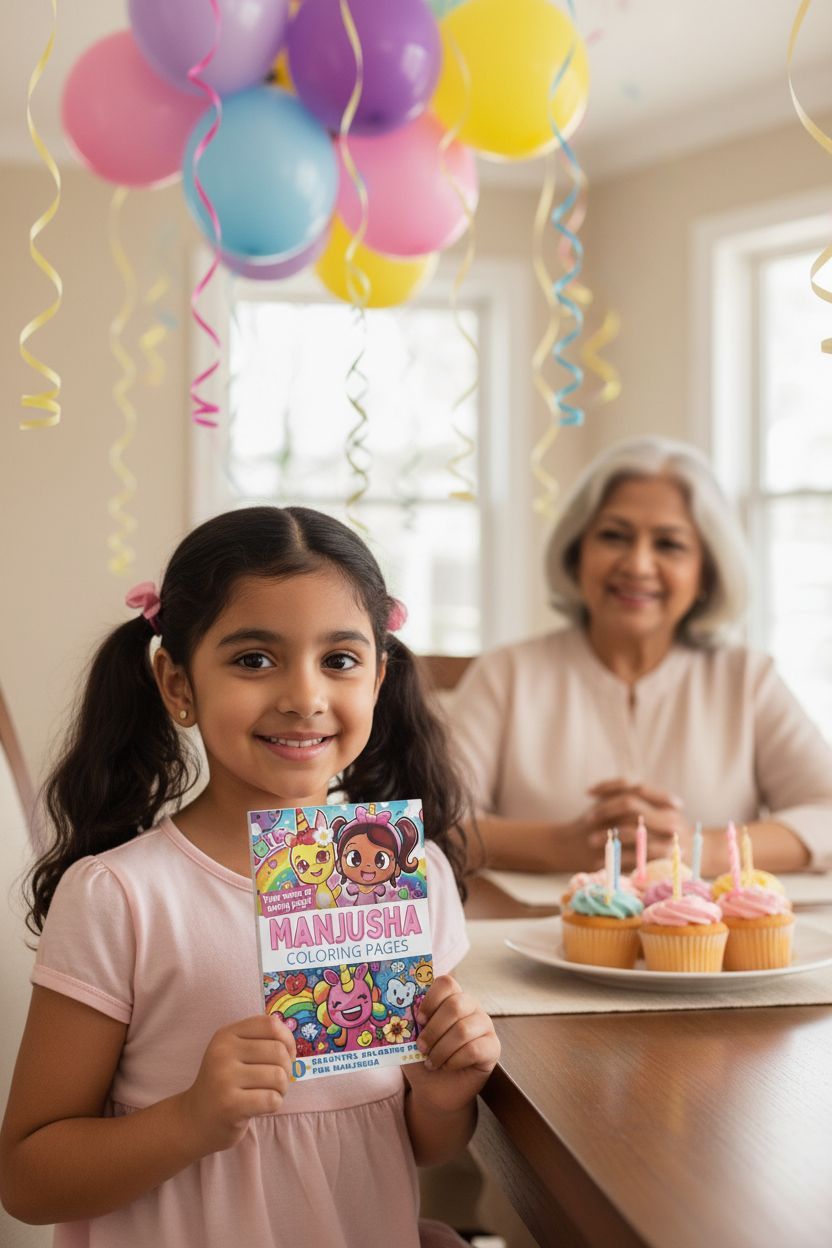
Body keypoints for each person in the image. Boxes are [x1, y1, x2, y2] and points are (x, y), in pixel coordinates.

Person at [0, 506, 500, 1248]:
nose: (304, 696)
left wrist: (444, 1093)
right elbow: (28, 1180)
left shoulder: (411, 876)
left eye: (339, 660)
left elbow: (417, 1144)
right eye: (254, 660)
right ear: (177, 682)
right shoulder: (122, 898)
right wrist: (193, 1117)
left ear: (379, 676)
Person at [448, 435, 832, 878]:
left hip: (705, 942)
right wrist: (561, 847)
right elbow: (432, 826)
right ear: (577, 553)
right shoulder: (506, 674)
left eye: (669, 544)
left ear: (706, 571)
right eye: (614, 536)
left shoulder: (747, 679)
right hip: (523, 939)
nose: (637, 565)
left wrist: (698, 850)